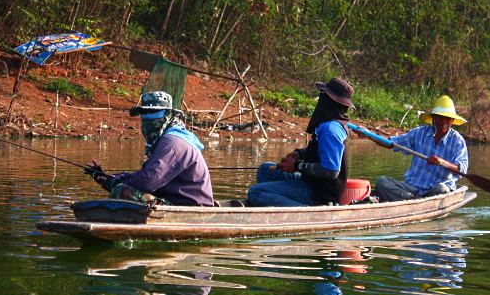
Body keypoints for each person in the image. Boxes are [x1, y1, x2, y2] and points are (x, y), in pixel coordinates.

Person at [85, 91, 215, 206]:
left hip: (191, 208)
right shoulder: (167, 139)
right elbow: (146, 175)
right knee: (123, 188)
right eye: (144, 114)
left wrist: (114, 183)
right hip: (176, 201)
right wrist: (106, 178)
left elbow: (148, 181)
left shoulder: (173, 143)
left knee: (122, 191)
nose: (148, 120)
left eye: (154, 114)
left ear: (169, 115)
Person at [247, 77, 354, 207]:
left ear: (328, 100)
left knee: (255, 192)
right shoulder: (330, 125)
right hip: (311, 182)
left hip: (319, 194)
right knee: (265, 169)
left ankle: (305, 211)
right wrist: (299, 153)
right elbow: (321, 151)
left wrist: (297, 166)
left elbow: (331, 171)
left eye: (322, 95)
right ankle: (276, 203)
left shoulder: (330, 129)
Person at [358, 95, 469, 202]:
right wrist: (369, 134)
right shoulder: (419, 133)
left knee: (442, 189)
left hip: (435, 190)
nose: (443, 121)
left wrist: (442, 162)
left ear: (452, 121)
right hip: (411, 188)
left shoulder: (457, 141)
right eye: (439, 117)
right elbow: (391, 143)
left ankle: (411, 201)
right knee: (382, 182)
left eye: (447, 118)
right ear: (433, 118)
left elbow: (461, 169)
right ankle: (415, 201)